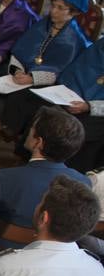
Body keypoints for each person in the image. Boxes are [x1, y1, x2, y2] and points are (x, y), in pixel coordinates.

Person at [0, 0, 91, 155]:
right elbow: (20, 50)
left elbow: (63, 71)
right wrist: (17, 70)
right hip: (20, 74)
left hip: (43, 84)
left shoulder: (76, 40)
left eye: (61, 8)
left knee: (15, 97)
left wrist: (33, 78)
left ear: (74, 12)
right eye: (53, 6)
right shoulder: (41, 25)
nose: (53, 11)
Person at [0, 107, 89, 260]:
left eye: (31, 128)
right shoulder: (83, 183)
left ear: (38, 142)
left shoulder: (2, 179)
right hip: (50, 262)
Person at [56, 31, 104, 174]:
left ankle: (71, 176)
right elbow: (76, 72)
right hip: (75, 101)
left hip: (97, 114)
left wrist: (89, 106)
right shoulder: (99, 47)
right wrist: (69, 96)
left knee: (79, 130)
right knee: (51, 116)